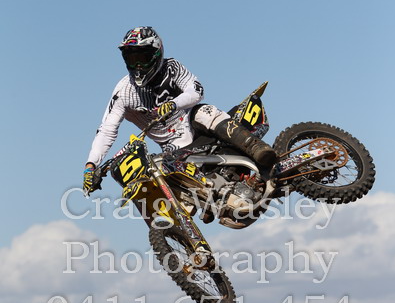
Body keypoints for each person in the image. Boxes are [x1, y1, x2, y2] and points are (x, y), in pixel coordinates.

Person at [83, 26, 278, 195]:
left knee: (205, 111)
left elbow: (196, 91)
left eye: (142, 58)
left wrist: (174, 104)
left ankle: (254, 146)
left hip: (192, 122)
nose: (138, 65)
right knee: (159, 171)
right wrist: (91, 165)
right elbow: (107, 130)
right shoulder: (123, 92)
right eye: (132, 59)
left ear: (156, 54)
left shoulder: (172, 67)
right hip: (172, 145)